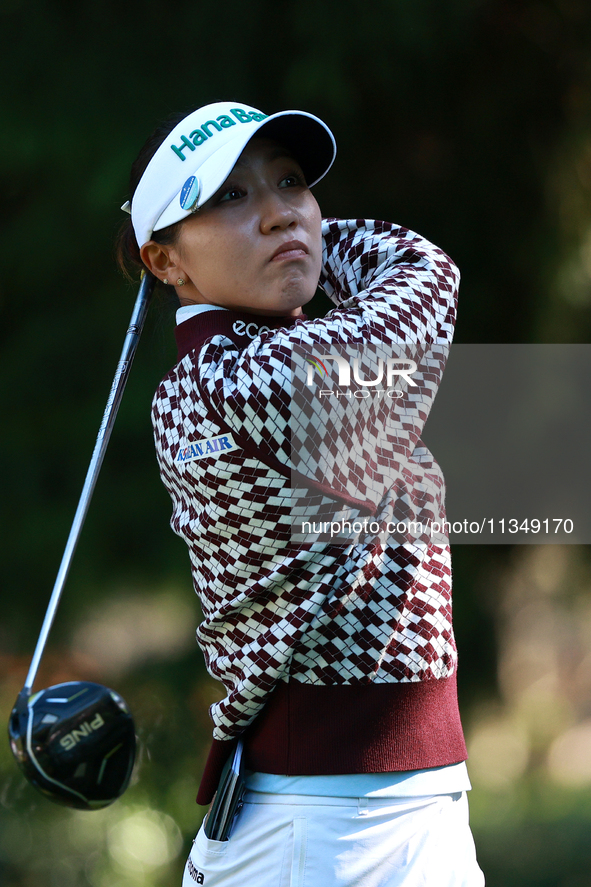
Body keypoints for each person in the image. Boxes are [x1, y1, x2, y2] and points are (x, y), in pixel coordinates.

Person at [117, 100, 484, 886]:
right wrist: (305, 234)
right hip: (328, 829)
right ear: (166, 262)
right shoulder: (249, 383)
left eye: (290, 184)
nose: (280, 212)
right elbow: (426, 275)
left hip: (373, 809)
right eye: (230, 198)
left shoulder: (240, 368)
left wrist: (283, 230)